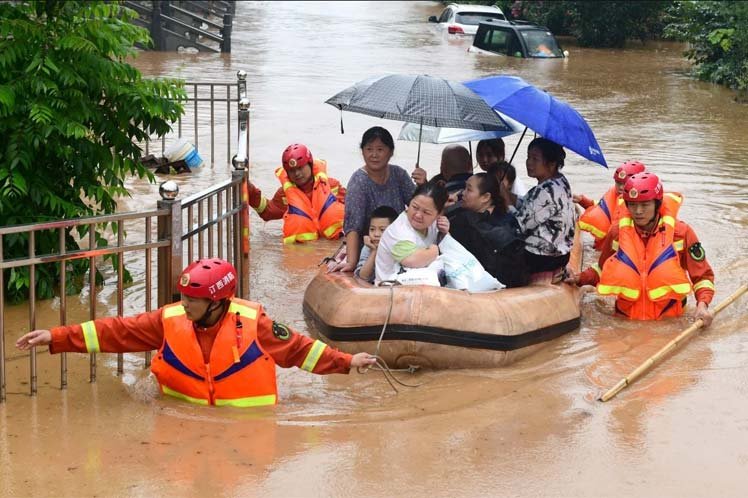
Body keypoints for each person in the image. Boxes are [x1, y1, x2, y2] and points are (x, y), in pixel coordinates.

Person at [16, 258, 376, 407]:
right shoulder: (170, 319)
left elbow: (300, 350)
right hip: (179, 415)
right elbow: (117, 331)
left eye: (193, 300)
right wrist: (57, 337)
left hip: (247, 429)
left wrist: (347, 361)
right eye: (184, 297)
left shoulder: (255, 323)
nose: (185, 305)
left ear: (218, 302)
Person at [565, 173, 715, 324]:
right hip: (625, 321)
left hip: (669, 321)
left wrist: (702, 305)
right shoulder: (617, 233)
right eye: (633, 204)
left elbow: (702, 277)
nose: (638, 211)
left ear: (657, 204)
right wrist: (579, 278)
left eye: (644, 205)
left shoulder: (682, 233)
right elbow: (602, 268)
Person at [329, 127, 416, 272]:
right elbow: (353, 226)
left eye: (380, 149)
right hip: (370, 245)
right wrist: (351, 262)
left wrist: (423, 185)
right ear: (362, 151)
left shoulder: (399, 174)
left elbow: (416, 207)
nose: (374, 155)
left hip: (398, 242)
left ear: (391, 152)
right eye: (369, 149)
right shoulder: (358, 182)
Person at [500, 137, 575, 280]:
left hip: (542, 258)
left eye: (535, 159)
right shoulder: (560, 181)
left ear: (552, 164)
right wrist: (507, 194)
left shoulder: (546, 190)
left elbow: (518, 226)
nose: (529, 163)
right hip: (560, 254)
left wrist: (506, 201)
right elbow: (531, 205)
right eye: (528, 157)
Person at [247, 143, 346, 244]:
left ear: (310, 164)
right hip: (305, 252)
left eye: (300, 168)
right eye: (292, 171)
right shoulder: (284, 195)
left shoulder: (331, 186)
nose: (297, 174)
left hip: (335, 244)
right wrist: (248, 188)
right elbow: (266, 212)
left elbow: (355, 208)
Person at [448, 169, 529, 288]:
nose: (462, 193)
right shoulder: (510, 218)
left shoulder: (463, 221)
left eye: (469, 189)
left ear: (485, 197)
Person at [375, 181, 450, 284]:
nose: (418, 215)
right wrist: (437, 250)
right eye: (415, 207)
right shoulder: (398, 230)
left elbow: (450, 248)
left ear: (439, 214)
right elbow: (413, 260)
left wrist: (445, 233)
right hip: (390, 291)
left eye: (426, 212)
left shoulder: (435, 223)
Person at [575, 160, 647, 250]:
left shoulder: (642, 208)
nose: (620, 187)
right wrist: (582, 200)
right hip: (602, 248)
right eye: (618, 183)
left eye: (624, 184)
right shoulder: (613, 194)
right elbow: (602, 209)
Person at [355, 205, 398, 283]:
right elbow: (363, 276)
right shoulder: (368, 247)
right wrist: (374, 251)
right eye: (372, 229)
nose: (376, 234)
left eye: (382, 230)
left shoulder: (400, 246)